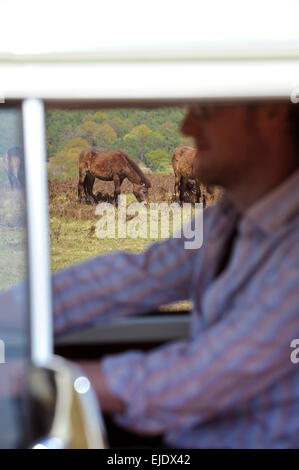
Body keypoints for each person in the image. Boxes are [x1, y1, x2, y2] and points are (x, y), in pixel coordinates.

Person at [52, 101, 299, 448]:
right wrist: (15, 313)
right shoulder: (227, 220)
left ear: (271, 113)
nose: (187, 127)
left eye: (207, 111)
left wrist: (46, 383)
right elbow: (136, 275)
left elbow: (203, 376)